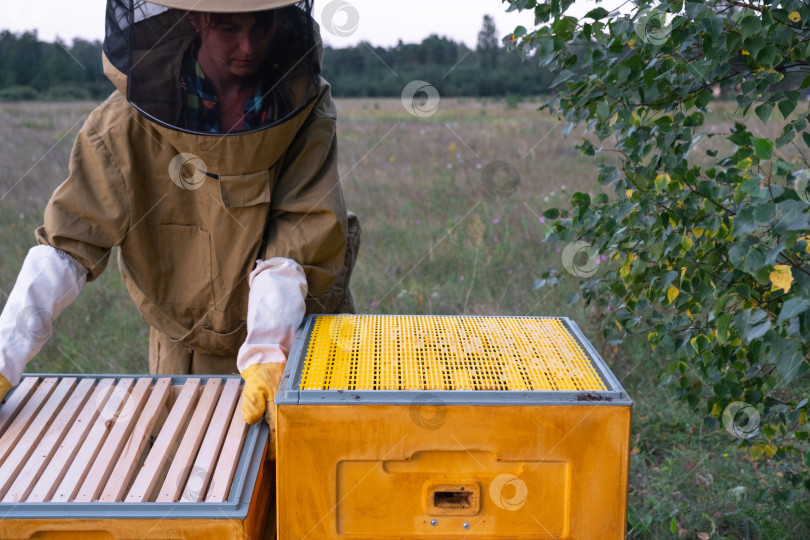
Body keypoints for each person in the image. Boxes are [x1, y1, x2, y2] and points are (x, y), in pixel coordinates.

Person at [0, 0, 360, 455]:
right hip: (185, 356)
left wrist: (270, 351)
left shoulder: (303, 105)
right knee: (192, 496)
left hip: (301, 348)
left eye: (261, 25)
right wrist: (4, 357)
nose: (248, 46)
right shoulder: (122, 125)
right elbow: (67, 246)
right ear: (195, 18)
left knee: (309, 496)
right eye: (229, 27)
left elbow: (298, 237)